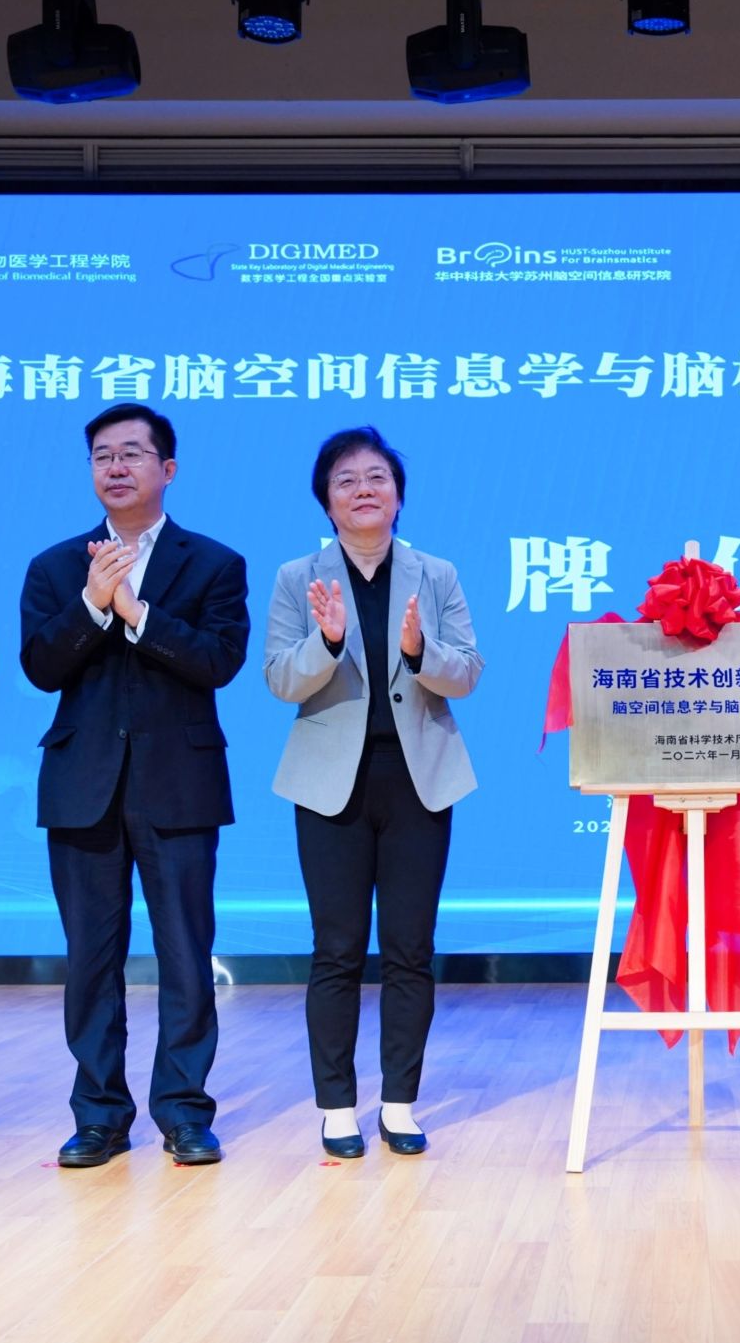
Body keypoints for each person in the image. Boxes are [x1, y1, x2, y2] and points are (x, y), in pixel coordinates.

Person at [20, 404, 249, 1168]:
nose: (115, 467)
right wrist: (93, 605)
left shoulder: (214, 563)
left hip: (178, 784)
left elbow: (217, 661)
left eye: (132, 453)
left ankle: (184, 1112)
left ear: (167, 469)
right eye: (102, 456)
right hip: (81, 786)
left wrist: (138, 613)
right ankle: (98, 1116)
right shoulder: (56, 567)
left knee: (186, 954)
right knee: (90, 960)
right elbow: (40, 665)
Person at [263, 427, 483, 1159]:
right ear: (326, 501)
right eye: (346, 480)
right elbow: (280, 679)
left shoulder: (436, 574)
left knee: (410, 948)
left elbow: (467, 673)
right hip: (331, 785)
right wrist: (325, 643)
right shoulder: (298, 577)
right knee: (336, 948)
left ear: (398, 495)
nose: (364, 489)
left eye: (377, 477)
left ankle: (399, 1102)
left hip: (419, 780)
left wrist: (421, 652)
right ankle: (335, 1107)